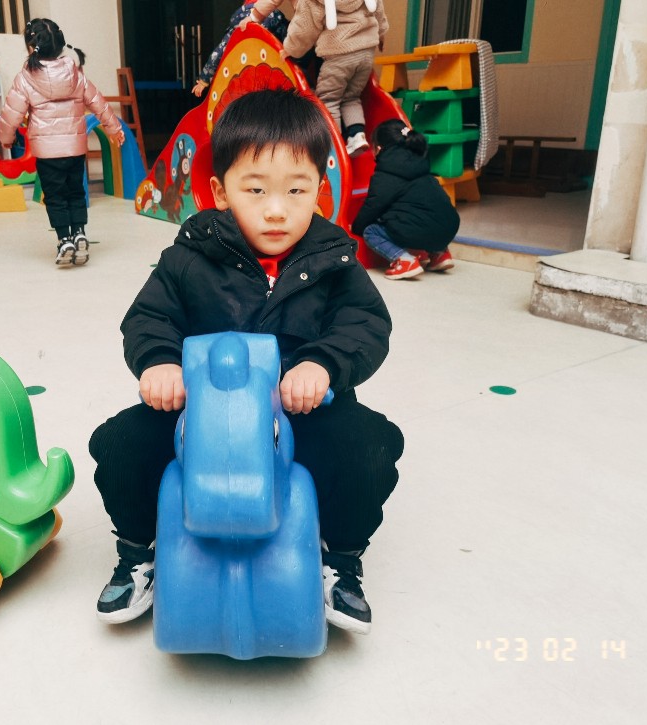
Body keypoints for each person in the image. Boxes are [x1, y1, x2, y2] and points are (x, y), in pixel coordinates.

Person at [89, 89, 403, 635]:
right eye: (255, 190)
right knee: (119, 444)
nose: (276, 209)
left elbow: (366, 323)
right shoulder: (190, 257)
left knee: (370, 447)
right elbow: (149, 317)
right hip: (202, 409)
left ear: (320, 191)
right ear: (220, 191)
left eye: (296, 190)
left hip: (303, 409)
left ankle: (340, 558)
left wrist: (323, 364)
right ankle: (139, 551)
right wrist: (160, 363)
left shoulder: (333, 260)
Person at [0, 17, 125, 267]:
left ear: (31, 46)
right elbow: (98, 103)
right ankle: (80, 234)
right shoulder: (75, 73)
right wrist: (114, 128)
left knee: (55, 197)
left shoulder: (25, 78)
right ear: (60, 44)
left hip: (47, 154)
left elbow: (11, 114)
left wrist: (6, 139)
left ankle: (64, 240)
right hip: (75, 150)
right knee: (76, 192)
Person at [249, 0, 386, 156]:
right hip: (366, 53)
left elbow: (305, 27)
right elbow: (378, 11)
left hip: (339, 55)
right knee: (351, 97)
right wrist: (381, 35)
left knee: (329, 99)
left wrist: (291, 49)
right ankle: (357, 135)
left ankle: (334, 145)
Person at [351, 119, 459, 279]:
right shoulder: (420, 162)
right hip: (449, 227)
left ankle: (404, 261)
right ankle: (440, 254)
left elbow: (373, 206)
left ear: (378, 149)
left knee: (371, 231)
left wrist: (356, 228)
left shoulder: (385, 174)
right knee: (423, 216)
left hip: (421, 231)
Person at [192, 1, 291, 97]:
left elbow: (219, 52)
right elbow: (290, 39)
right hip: (270, 69)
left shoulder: (239, 23)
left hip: (244, 71)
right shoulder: (276, 18)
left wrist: (203, 80)